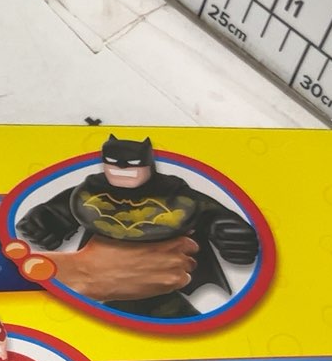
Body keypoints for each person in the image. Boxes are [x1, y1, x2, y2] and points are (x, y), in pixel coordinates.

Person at [17, 135, 259, 318]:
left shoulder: (175, 194)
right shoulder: (91, 192)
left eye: (131, 164)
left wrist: (232, 235)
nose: (123, 170)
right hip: (101, 292)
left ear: (147, 165)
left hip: (165, 288)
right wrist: (46, 221)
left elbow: (211, 213)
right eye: (114, 164)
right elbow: (62, 209)